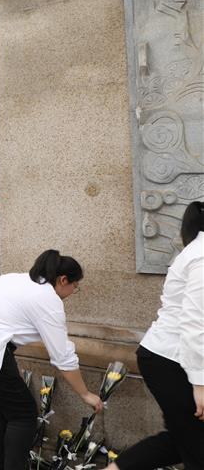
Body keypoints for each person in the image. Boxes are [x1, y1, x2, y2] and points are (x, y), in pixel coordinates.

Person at [0, 250, 102, 470]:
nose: (74, 291)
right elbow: (63, 357)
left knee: (0, 411)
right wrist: (86, 394)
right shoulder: (47, 299)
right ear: (63, 280)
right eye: (75, 285)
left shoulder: (10, 279)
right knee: (24, 416)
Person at [109, 201, 203, 470]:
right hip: (171, 360)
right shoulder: (201, 256)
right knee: (195, 445)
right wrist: (200, 384)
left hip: (175, 359)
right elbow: (195, 322)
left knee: (183, 439)